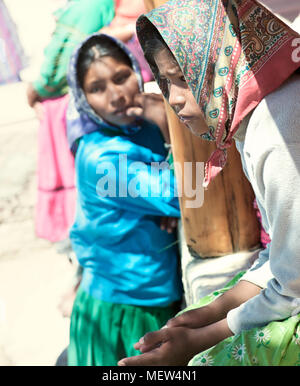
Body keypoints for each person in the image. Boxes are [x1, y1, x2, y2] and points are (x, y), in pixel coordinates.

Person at [118, 0, 300, 366]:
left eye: (184, 79)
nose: (174, 100)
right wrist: (202, 316)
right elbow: (281, 263)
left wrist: (197, 341)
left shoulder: (278, 134)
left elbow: (294, 285)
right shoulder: (252, 122)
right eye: (165, 82)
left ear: (222, 63)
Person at [66, 33, 183, 366]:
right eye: (98, 88)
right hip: (124, 307)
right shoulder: (101, 157)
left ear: (137, 71)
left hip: (154, 291)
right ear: (83, 98)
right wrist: (165, 122)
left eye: (121, 78)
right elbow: (185, 193)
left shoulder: (138, 127)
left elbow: (175, 195)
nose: (116, 96)